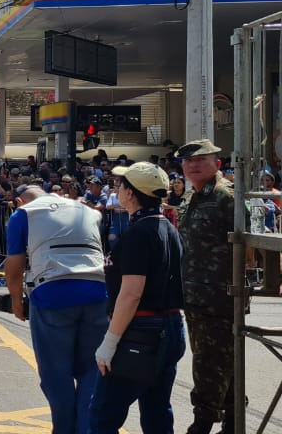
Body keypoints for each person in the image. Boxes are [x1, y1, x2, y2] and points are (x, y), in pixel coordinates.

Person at [4, 185, 109, 434]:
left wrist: (17, 301)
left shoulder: (24, 214)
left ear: (19, 201)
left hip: (52, 294)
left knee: (56, 373)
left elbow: (14, 266)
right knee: (92, 371)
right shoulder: (87, 210)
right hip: (98, 292)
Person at [89, 163, 185, 433]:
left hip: (141, 332)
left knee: (102, 416)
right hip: (171, 327)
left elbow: (131, 294)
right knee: (157, 413)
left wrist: (109, 342)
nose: (117, 190)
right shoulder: (168, 228)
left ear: (131, 193)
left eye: (121, 185)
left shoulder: (139, 233)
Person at [177, 139, 241, 434]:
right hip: (196, 294)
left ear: (217, 163)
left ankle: (202, 422)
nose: (193, 165)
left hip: (221, 294)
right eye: (188, 161)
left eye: (200, 160)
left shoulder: (226, 196)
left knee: (210, 361)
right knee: (220, 360)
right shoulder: (193, 197)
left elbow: (245, 244)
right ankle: (232, 418)